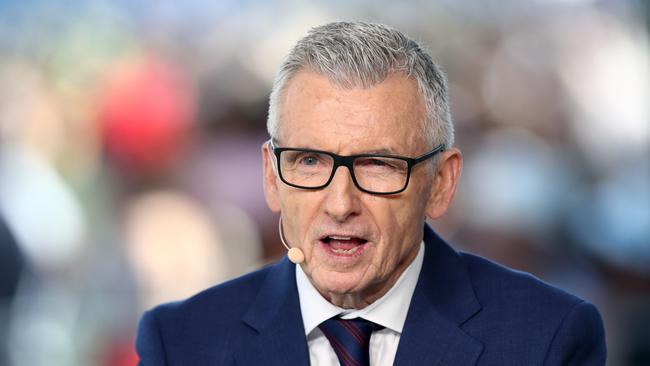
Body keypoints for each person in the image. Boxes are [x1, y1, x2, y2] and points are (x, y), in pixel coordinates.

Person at [135, 21, 606, 365]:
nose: (340, 204)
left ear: (441, 183)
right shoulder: (180, 343)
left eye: (378, 165)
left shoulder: (547, 339)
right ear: (272, 178)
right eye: (309, 161)